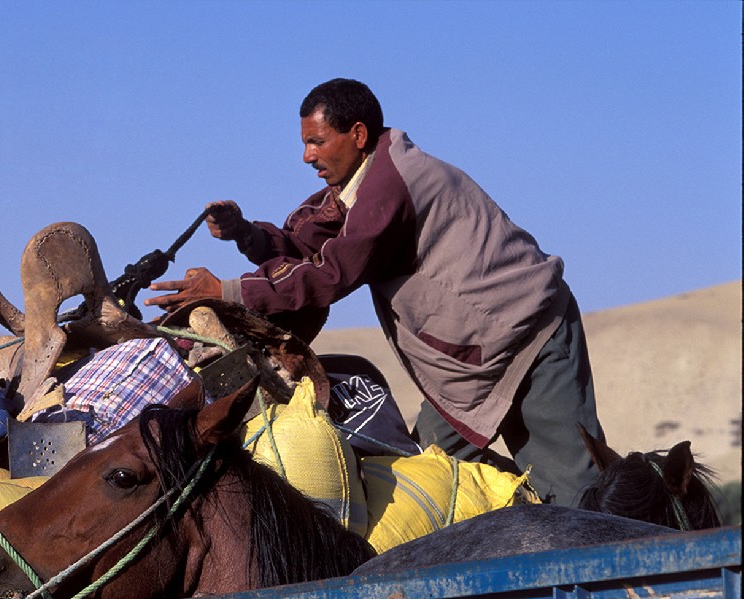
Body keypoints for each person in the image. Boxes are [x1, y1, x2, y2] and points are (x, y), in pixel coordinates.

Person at [145, 78, 604, 505]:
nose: (307, 156)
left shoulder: (392, 184)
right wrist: (245, 233)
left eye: (317, 142)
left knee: (573, 489)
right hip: (470, 365)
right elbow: (308, 246)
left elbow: (331, 273)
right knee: (435, 474)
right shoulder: (359, 188)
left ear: (358, 134)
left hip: (530, 335)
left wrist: (225, 291)